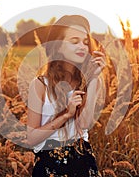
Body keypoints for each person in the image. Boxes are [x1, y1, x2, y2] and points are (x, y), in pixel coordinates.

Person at [27, 15, 105, 177]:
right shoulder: (40, 84)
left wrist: (94, 79)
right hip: (49, 162)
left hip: (82, 159)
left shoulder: (91, 81)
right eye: (74, 41)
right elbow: (32, 138)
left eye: (85, 42)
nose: (82, 47)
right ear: (58, 47)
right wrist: (66, 115)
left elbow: (84, 123)